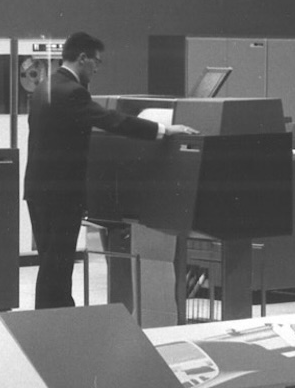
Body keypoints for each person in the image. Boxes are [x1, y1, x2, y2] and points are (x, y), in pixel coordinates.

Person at [23, 31, 195, 309]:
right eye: (96, 62)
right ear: (82, 58)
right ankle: (54, 323)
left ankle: (57, 319)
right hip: (61, 195)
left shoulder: (46, 87)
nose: (96, 69)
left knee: (51, 262)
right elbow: (112, 120)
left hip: (39, 191)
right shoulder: (74, 92)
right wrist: (163, 129)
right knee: (58, 265)